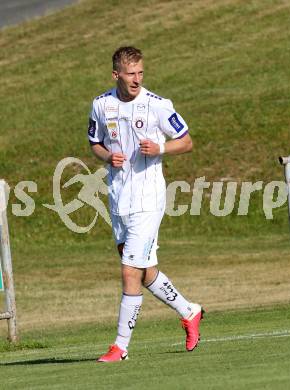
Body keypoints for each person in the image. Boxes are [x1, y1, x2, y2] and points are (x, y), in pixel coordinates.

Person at [88, 46, 204, 362]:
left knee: (129, 271)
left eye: (140, 72)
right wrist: (106, 156)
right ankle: (189, 311)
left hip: (148, 199)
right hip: (118, 199)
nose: (137, 79)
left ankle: (120, 347)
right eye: (130, 74)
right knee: (145, 270)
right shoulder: (101, 105)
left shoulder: (157, 106)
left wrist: (161, 147)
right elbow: (94, 143)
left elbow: (187, 141)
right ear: (116, 75)